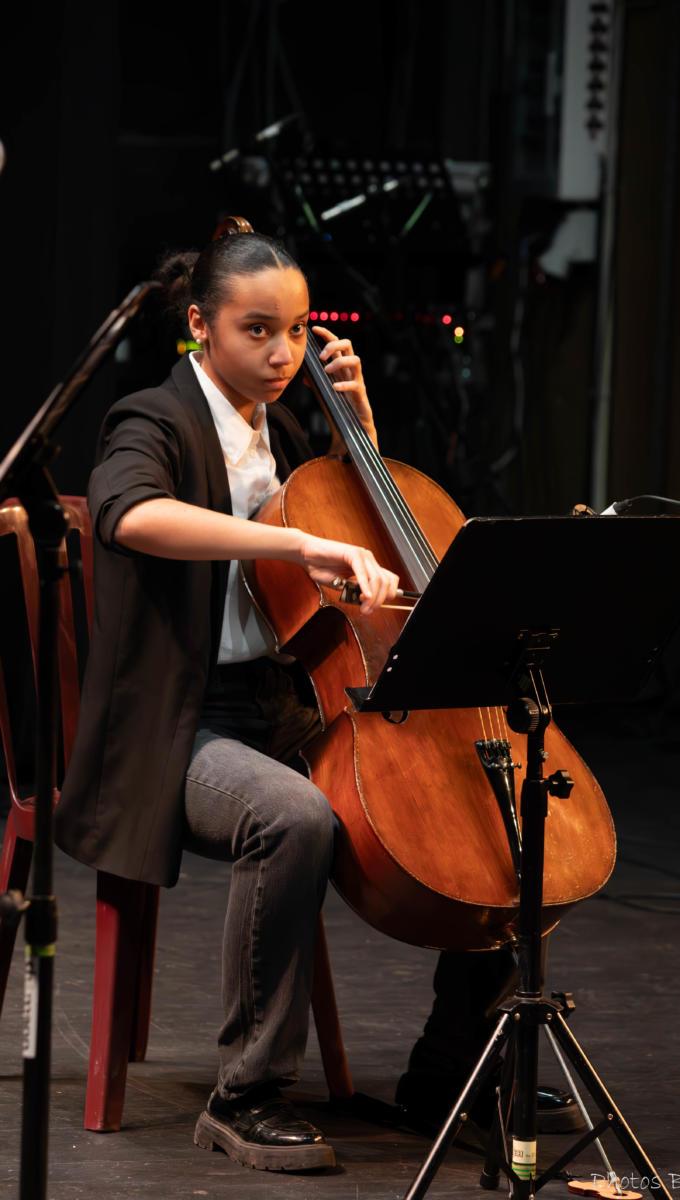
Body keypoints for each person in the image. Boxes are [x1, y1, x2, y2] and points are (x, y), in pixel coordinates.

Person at [54, 229, 578, 1175]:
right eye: (257, 330)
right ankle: (245, 1095)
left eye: (297, 330)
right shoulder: (153, 419)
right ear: (200, 325)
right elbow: (130, 514)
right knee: (291, 816)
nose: (283, 352)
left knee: (503, 802)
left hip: (284, 708)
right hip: (176, 724)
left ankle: (446, 1068)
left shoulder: (289, 431)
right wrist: (296, 545)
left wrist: (359, 432)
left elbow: (355, 513)